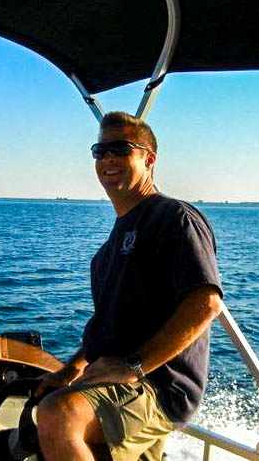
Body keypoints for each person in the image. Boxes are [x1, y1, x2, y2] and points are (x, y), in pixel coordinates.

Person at [34, 111, 224, 461]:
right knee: (33, 420)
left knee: (58, 416)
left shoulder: (175, 218)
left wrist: (134, 365)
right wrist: (70, 369)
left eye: (121, 150)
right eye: (100, 151)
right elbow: (111, 329)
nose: (108, 159)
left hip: (156, 385)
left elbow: (206, 302)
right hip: (118, 380)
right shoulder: (107, 252)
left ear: (149, 159)